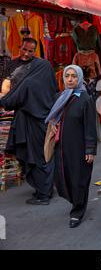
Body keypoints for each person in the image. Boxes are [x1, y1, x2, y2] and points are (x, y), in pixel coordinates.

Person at [0, 38, 57, 204]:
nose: (26, 53)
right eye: (24, 49)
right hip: (42, 119)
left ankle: (44, 194)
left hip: (31, 120)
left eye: (30, 51)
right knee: (43, 155)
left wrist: (4, 101)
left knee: (36, 156)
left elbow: (11, 99)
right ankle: (43, 190)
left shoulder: (29, 82)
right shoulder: (44, 72)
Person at [46, 65, 97, 228]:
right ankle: (75, 200)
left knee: (79, 180)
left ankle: (77, 211)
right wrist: (53, 123)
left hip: (79, 148)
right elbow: (53, 116)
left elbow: (90, 126)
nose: (70, 79)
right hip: (61, 147)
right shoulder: (60, 97)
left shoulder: (85, 99)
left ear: (79, 78)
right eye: (67, 76)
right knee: (61, 177)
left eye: (74, 76)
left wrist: (90, 149)